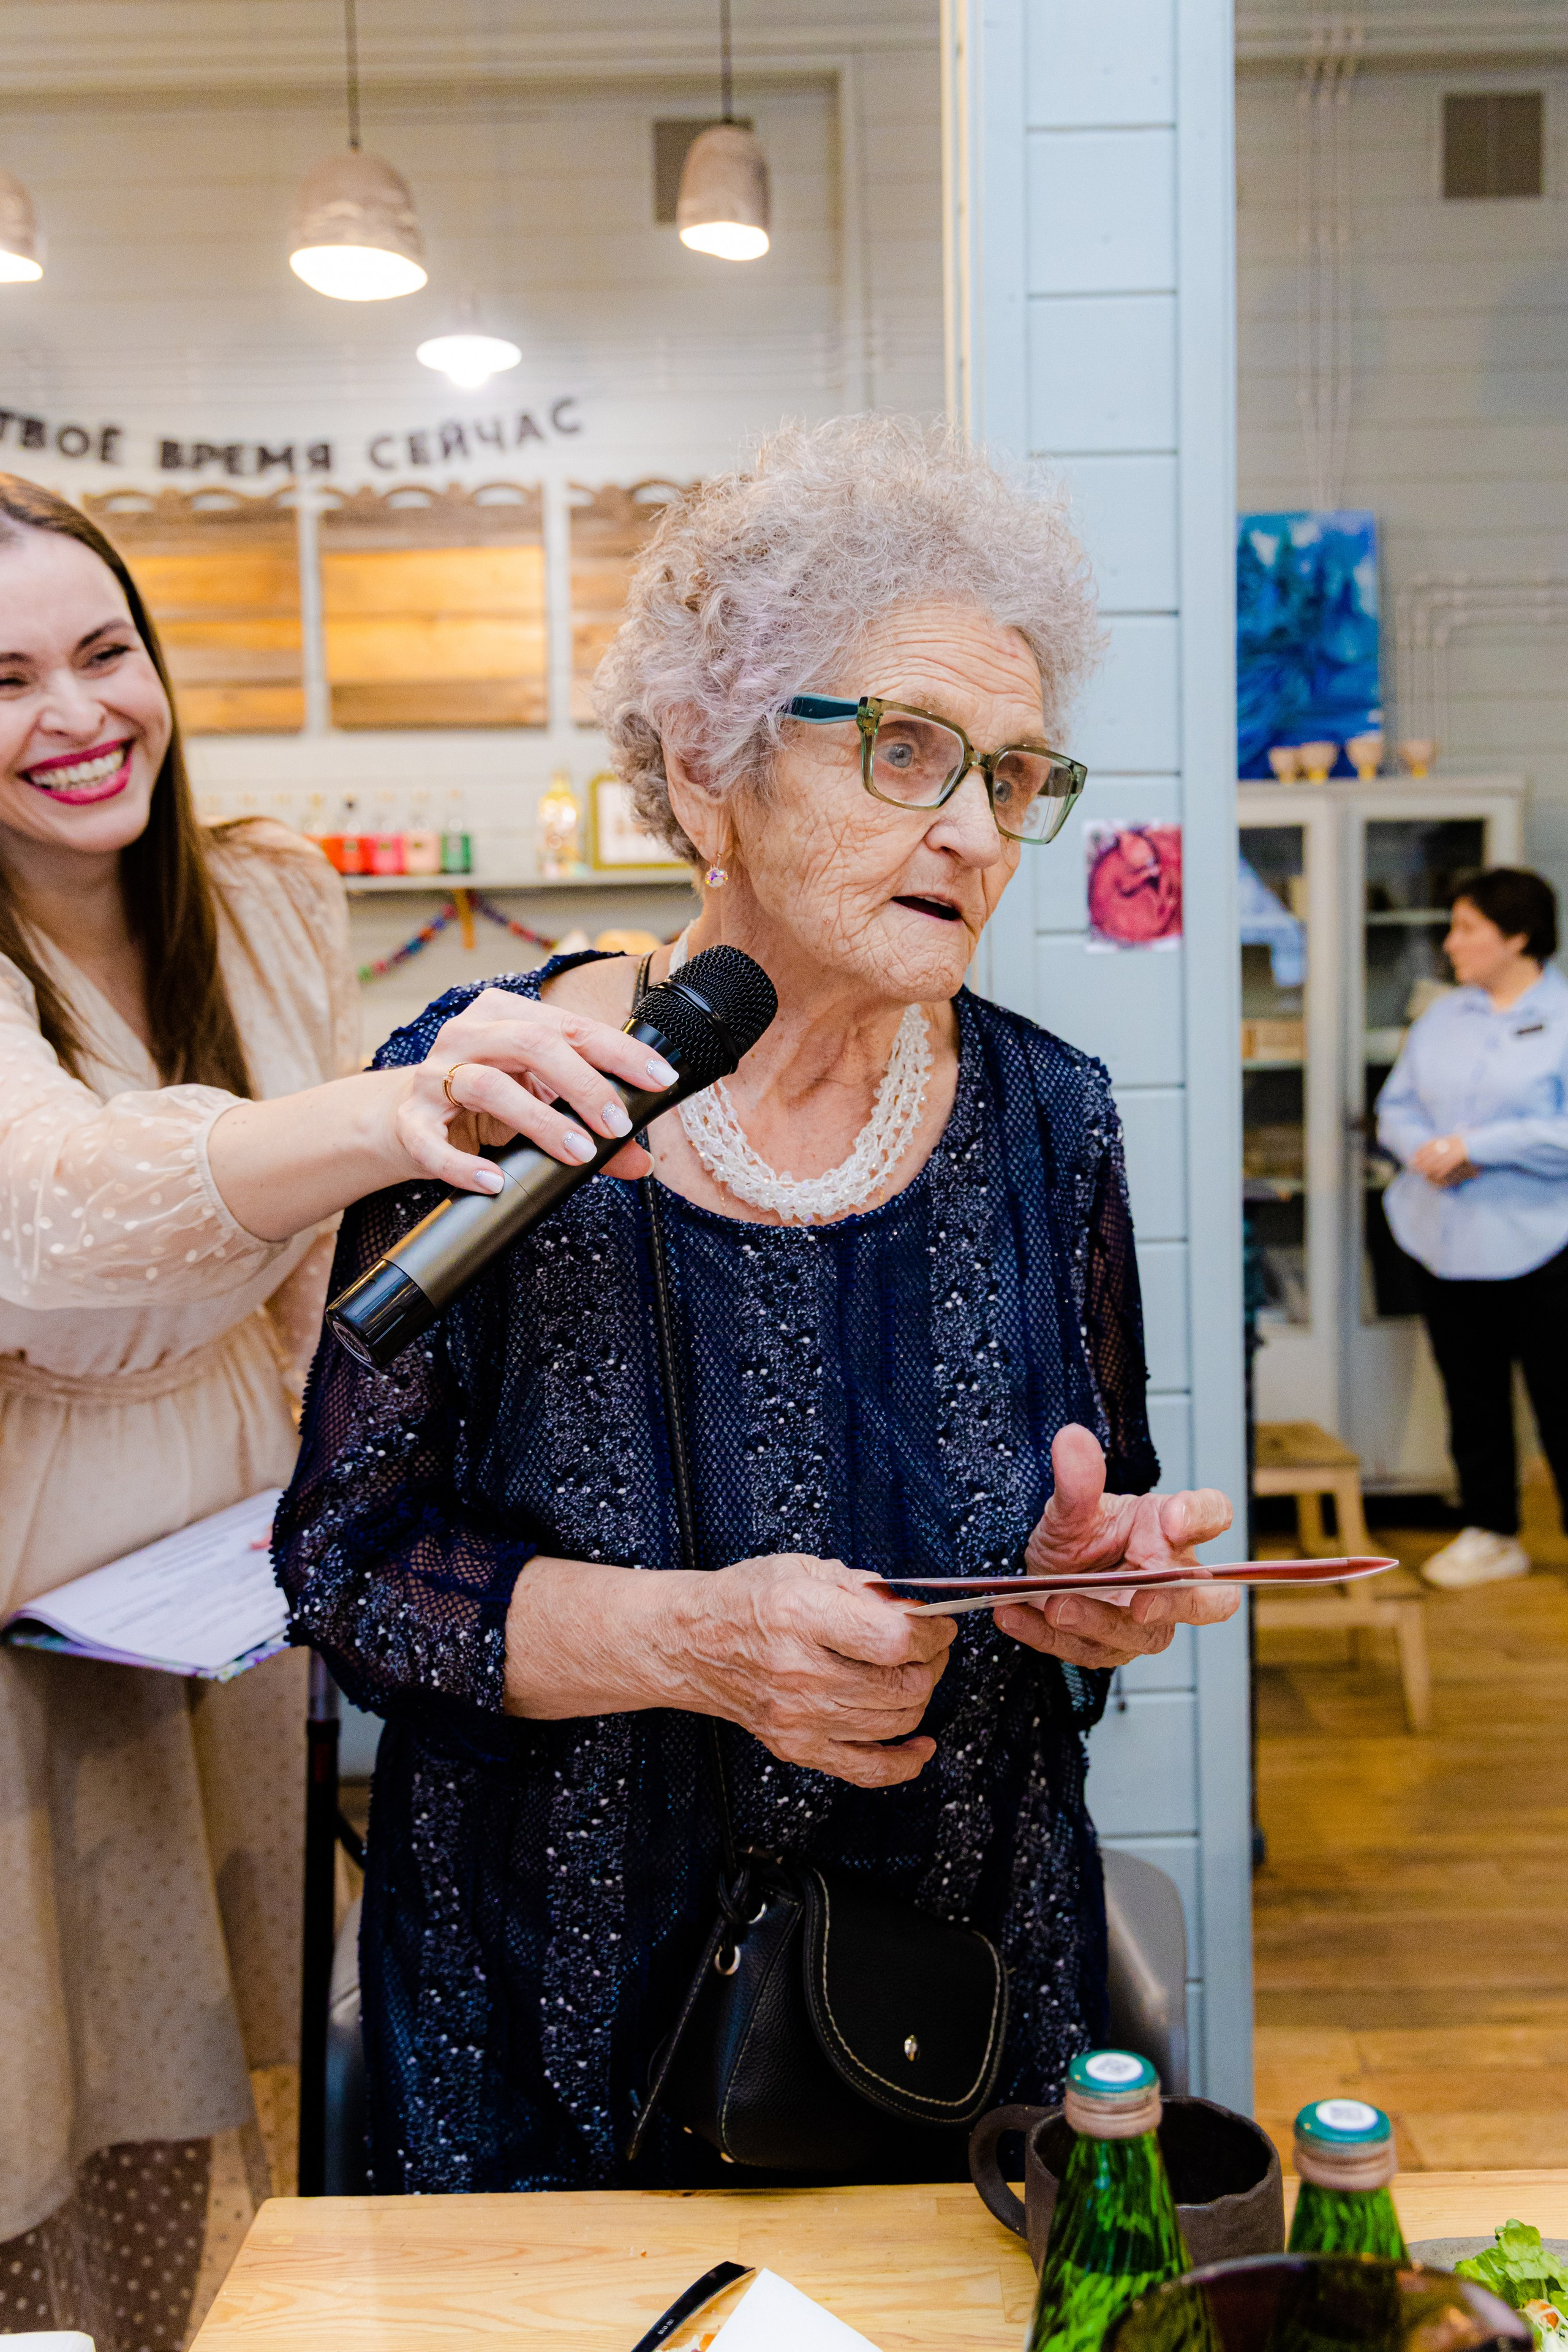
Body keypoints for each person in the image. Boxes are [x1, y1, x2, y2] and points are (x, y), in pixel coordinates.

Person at [273, 415, 1240, 2196]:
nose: (976, 828)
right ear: (707, 765)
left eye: (1014, 774)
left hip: (947, 2015)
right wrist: (687, 1640)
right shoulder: (498, 1092)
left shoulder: (1053, 1117)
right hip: (541, 2035)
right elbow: (349, 1570)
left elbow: (1075, 1528)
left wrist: (1081, 1594)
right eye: (906, 747)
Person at [0, 475, 673, 2348]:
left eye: (106, 651)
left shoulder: (266, 899)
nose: (78, 715)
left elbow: (321, 1292)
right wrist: (397, 1111)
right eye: (5, 680)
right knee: (45, 2111)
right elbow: (49, 1206)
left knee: (243, 2069)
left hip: (234, 1616)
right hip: (27, 1650)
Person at [1377, 866, 1568, 1589]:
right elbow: (1395, 1106)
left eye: (1466, 928)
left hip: (1542, 1243)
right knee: (1470, 1394)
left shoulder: (1561, 1016)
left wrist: (1476, 1147)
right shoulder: (1442, 1015)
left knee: (1560, 1396)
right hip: (1441, 1241)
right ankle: (1491, 1531)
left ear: (1517, 937)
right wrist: (1424, 1150)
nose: (1450, 943)